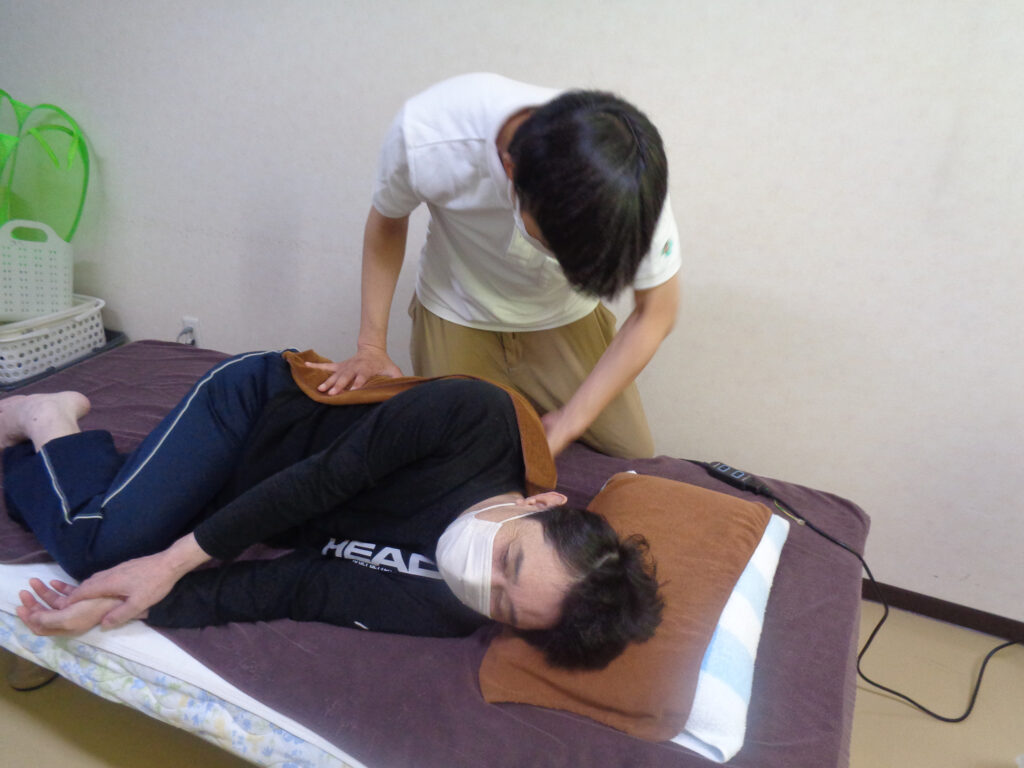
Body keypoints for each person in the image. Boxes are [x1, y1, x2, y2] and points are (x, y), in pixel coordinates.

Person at [2, 351, 662, 670]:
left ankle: (65, 459)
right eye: (508, 559)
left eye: (504, 606)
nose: (476, 577)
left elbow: (298, 585)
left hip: (254, 498)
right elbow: (319, 482)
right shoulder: (474, 419)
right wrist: (166, 566)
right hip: (256, 414)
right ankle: (46, 415)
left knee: (106, 567)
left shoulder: (449, 608)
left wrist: (129, 605)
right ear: (542, 502)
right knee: (101, 549)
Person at [311, 73, 682, 459]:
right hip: (458, 311)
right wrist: (371, 346)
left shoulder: (628, 178)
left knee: (633, 457)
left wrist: (569, 421)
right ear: (511, 171)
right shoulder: (428, 135)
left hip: (565, 316)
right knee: (449, 461)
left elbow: (656, 312)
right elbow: (388, 221)